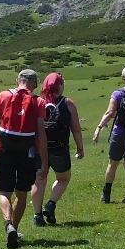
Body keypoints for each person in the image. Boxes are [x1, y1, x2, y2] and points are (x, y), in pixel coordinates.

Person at [0, 67, 48, 249]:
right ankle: (14, 228)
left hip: (5, 150)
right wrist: (44, 160)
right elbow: (41, 134)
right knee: (21, 193)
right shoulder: (38, 102)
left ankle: (8, 226)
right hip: (27, 152)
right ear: (35, 84)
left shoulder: (3, 96)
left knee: (4, 192)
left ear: (17, 81)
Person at [33, 72, 84, 226]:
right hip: (59, 148)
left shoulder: (37, 102)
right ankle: (51, 204)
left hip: (39, 148)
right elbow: (76, 129)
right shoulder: (68, 103)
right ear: (60, 86)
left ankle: (37, 215)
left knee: (39, 179)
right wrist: (80, 148)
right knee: (63, 178)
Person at [92, 64, 125, 203]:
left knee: (113, 163)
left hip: (119, 131)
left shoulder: (118, 94)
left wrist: (99, 127)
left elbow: (110, 112)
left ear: (123, 78)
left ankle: (106, 194)